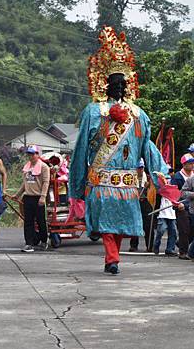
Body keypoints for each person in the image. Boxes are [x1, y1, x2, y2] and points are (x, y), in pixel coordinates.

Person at [69, 26, 168, 275]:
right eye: (115, 83)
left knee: (115, 224)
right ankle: (112, 258)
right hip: (113, 181)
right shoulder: (104, 112)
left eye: (119, 83)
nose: (117, 87)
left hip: (116, 180)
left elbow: (147, 147)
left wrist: (160, 174)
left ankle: (112, 257)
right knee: (111, 223)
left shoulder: (130, 114)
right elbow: (82, 148)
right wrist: (78, 181)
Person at [15, 145, 50, 252]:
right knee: (28, 222)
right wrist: (18, 194)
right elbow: (25, 183)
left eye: (32, 154)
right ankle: (28, 243)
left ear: (37, 154)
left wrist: (43, 197)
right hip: (28, 197)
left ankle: (44, 241)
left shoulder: (44, 167)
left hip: (38, 197)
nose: (30, 156)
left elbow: (45, 182)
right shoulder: (27, 167)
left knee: (40, 221)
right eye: (29, 154)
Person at [171, 154, 194, 259]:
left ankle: (181, 243)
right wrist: (177, 203)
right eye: (190, 163)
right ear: (184, 165)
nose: (192, 165)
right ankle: (183, 252)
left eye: (192, 163)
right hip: (182, 206)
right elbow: (172, 193)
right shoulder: (177, 177)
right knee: (184, 229)